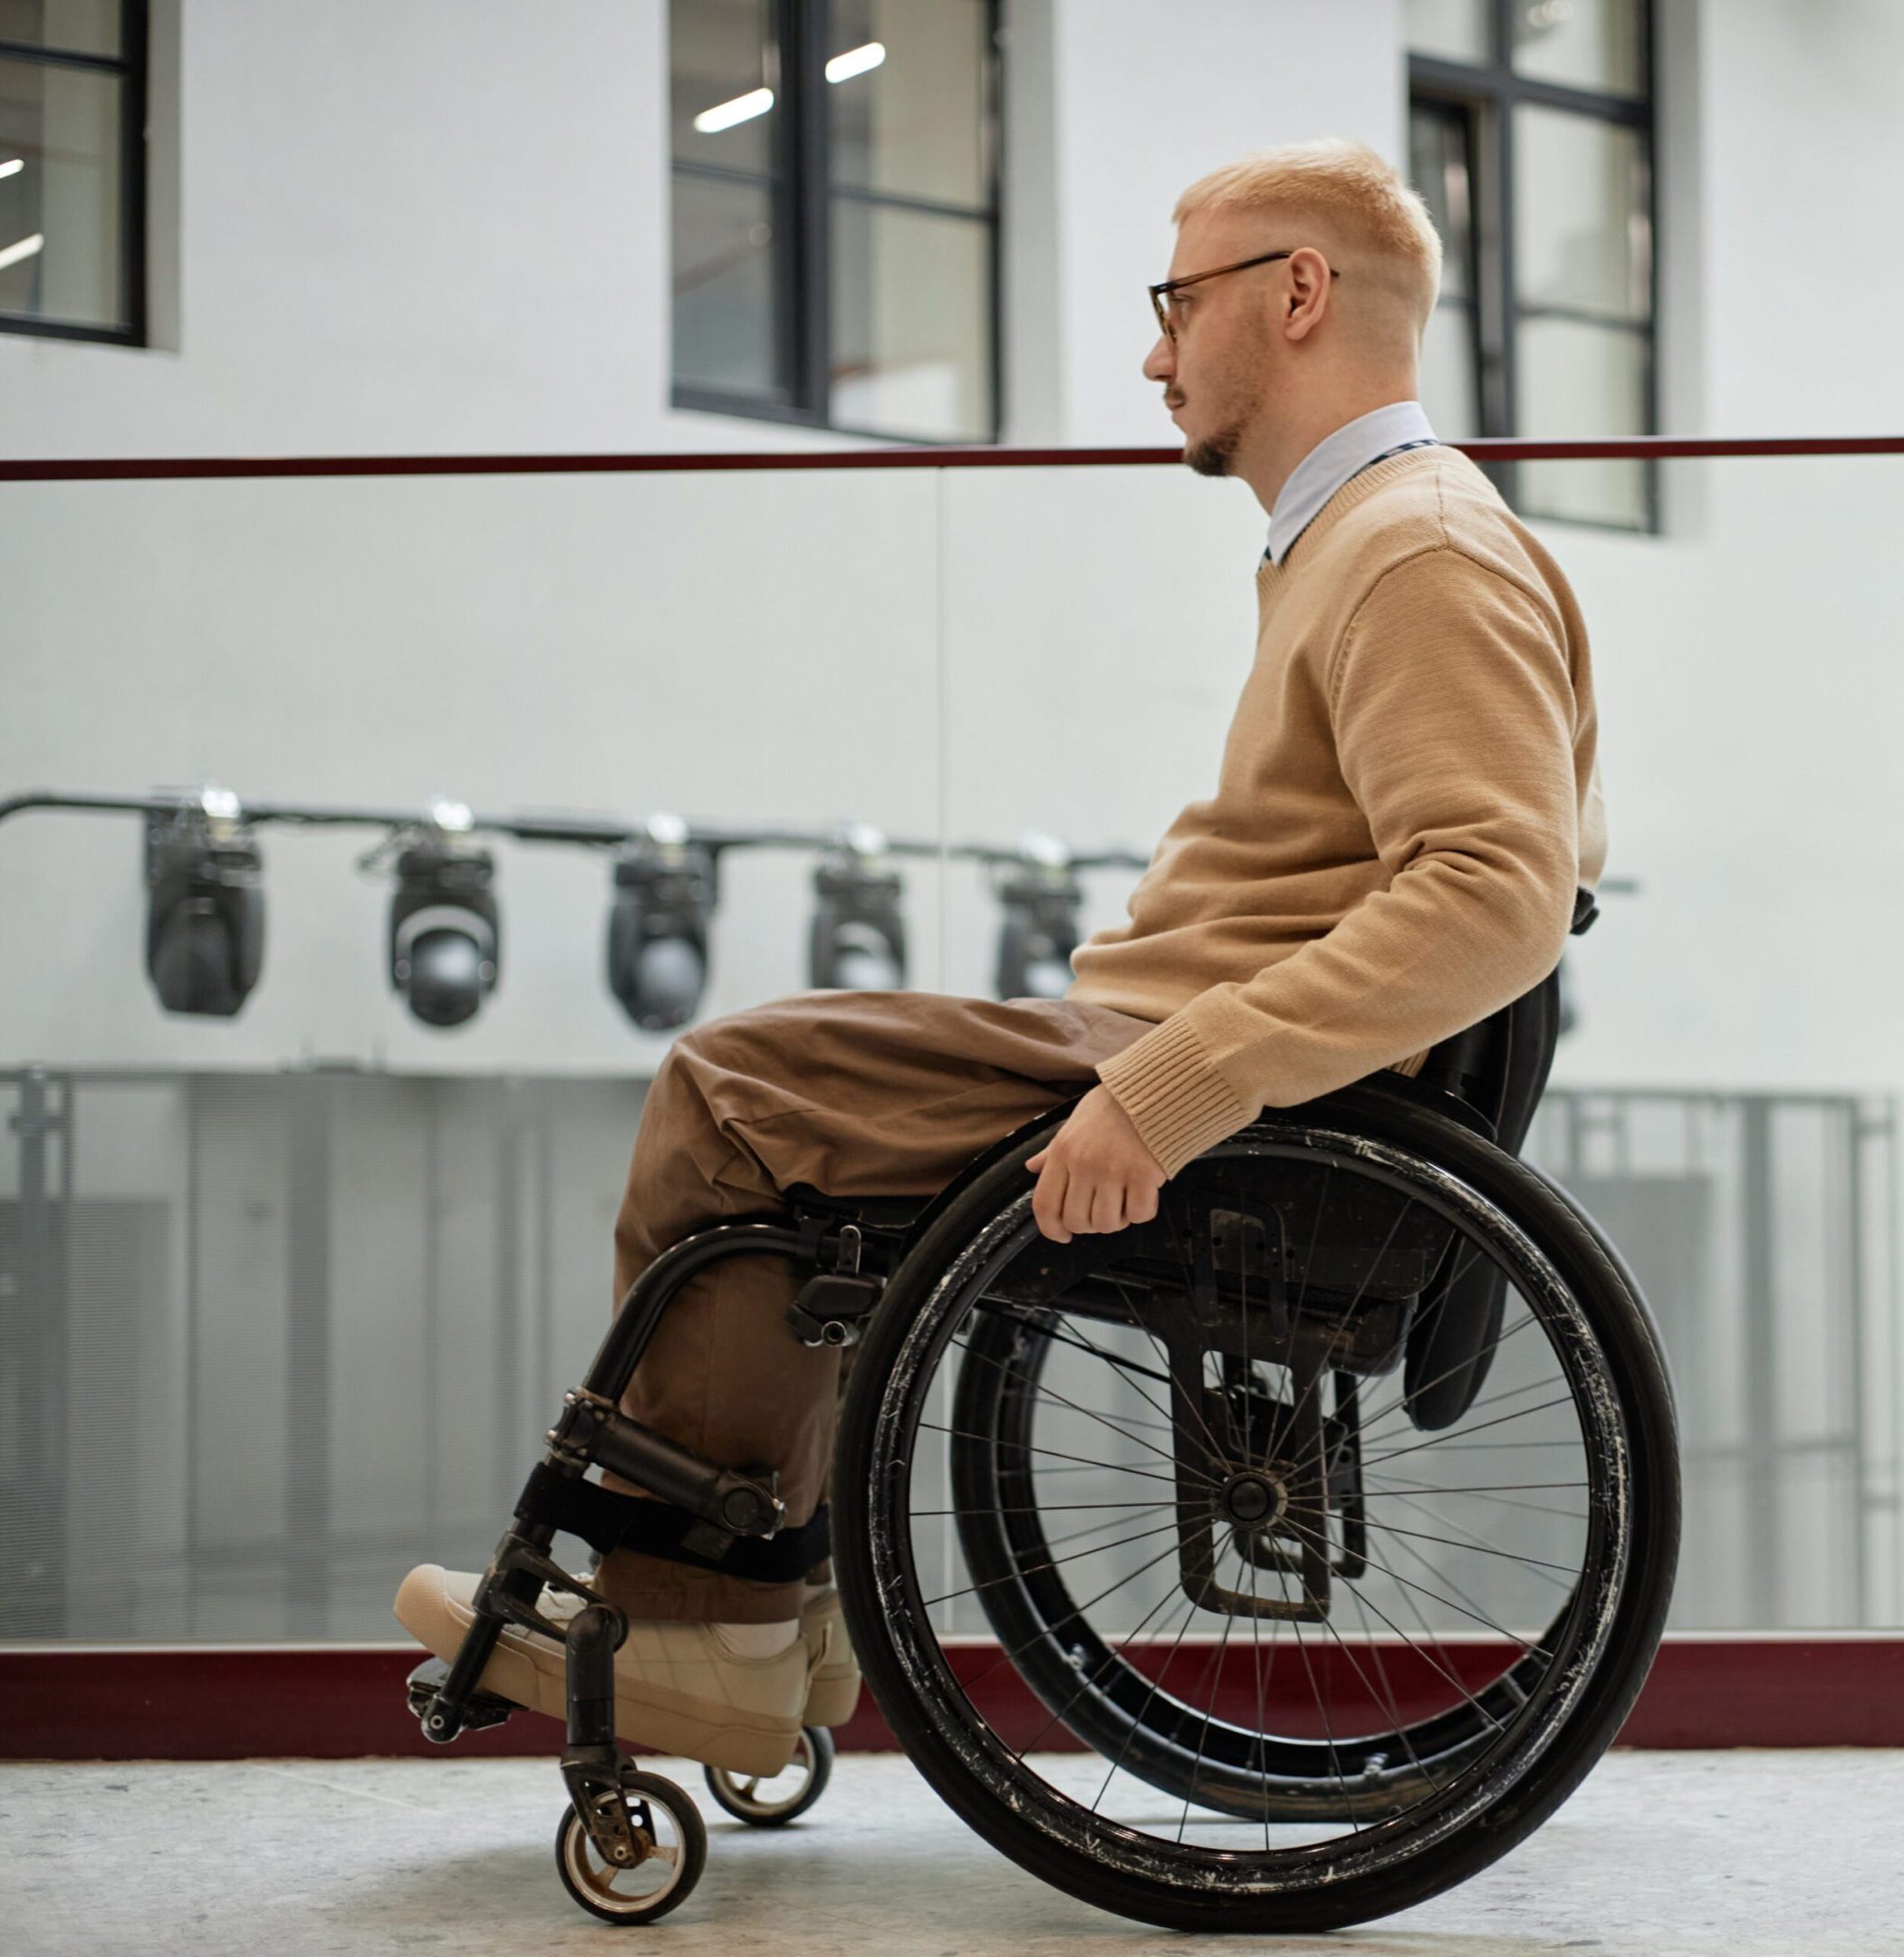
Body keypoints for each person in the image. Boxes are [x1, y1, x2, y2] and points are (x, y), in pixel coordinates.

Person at [394, 137, 1608, 1776]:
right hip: (1186, 1042)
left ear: (1300, 294)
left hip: (1215, 1085)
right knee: (785, 1128)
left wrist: (1170, 1087)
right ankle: (756, 1611)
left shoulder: (1418, 549)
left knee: (736, 1092)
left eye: (1180, 302)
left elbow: (1494, 888)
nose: (1155, 350)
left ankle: (714, 1629)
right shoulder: (1362, 537)